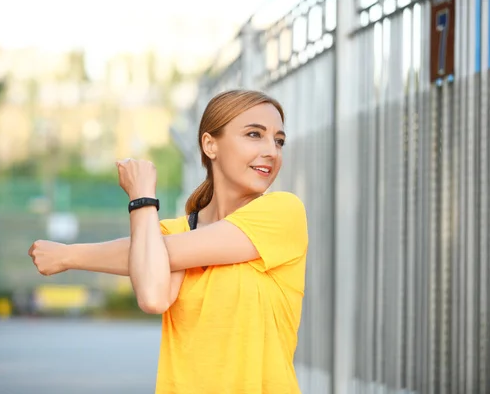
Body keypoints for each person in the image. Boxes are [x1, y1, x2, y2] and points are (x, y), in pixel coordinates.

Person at [28, 89, 309, 393]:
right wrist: (68, 255)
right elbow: (153, 294)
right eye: (255, 134)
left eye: (279, 140)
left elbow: (156, 256)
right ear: (210, 144)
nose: (272, 150)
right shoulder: (176, 232)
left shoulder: (282, 213)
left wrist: (142, 197)